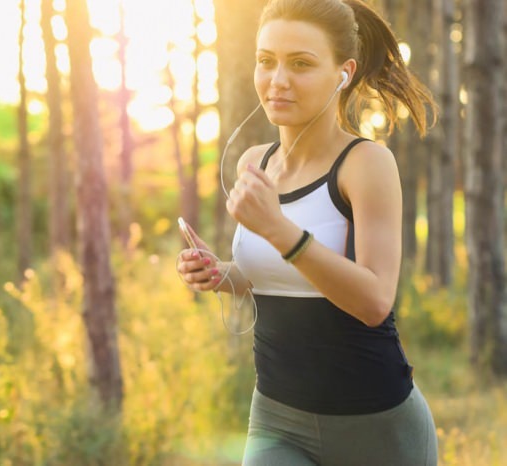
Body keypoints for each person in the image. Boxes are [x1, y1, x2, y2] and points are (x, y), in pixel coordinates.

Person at [176, 0, 439, 464]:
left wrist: (279, 230)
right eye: (266, 61)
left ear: (344, 72)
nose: (277, 80)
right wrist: (221, 274)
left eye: (300, 64)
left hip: (375, 425)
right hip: (277, 419)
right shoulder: (253, 162)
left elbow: (375, 301)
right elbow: (276, 276)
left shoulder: (365, 165)